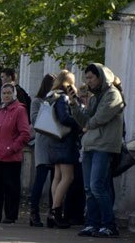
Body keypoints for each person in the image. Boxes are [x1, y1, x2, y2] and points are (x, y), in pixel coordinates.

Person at [68, 63, 125, 238]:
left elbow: (99, 118)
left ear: (101, 77)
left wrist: (88, 126)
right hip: (90, 145)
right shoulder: (94, 98)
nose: (88, 81)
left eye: (91, 77)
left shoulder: (113, 95)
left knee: (97, 186)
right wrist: (74, 103)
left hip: (104, 146)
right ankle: (92, 224)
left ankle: (109, 224)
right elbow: (83, 120)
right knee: (89, 188)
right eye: (86, 78)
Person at [0, 83, 31, 223]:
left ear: (14, 94)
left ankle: (10, 215)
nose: (6, 95)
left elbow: (25, 134)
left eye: (9, 93)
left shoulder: (19, 110)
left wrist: (12, 148)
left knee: (10, 187)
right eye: (4, 93)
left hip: (11, 157)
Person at [44, 70, 82, 228]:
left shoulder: (51, 96)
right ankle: (56, 212)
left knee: (57, 177)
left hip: (54, 139)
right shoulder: (63, 97)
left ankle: (53, 213)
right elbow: (65, 118)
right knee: (68, 177)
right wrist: (80, 123)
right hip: (65, 141)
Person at [28, 73, 57, 227]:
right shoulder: (37, 101)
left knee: (55, 180)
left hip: (57, 144)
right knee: (40, 179)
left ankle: (53, 213)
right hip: (43, 143)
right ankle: (34, 213)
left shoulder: (59, 100)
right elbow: (34, 120)